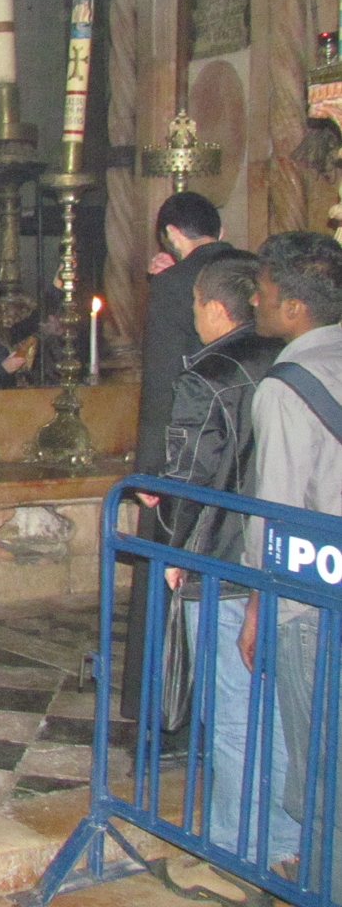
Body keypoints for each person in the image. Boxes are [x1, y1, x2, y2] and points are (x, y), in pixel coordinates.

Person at [155, 252, 292, 860]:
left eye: (194, 305)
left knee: (233, 708)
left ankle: (238, 843)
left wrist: (175, 549)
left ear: (214, 308)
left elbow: (191, 475)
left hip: (223, 556)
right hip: (289, 554)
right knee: (283, 706)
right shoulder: (289, 359)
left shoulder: (209, 374)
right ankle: (287, 837)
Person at [235, 232, 342, 888]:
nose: (255, 300)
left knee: (320, 761)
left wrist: (257, 608)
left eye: (264, 291)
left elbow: (274, 513)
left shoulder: (285, 387)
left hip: (312, 595)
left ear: (295, 307)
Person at [124, 192, 234, 719]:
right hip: (242, 451)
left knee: (167, 574)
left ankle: (160, 699)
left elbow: (163, 383)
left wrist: (150, 471)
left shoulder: (174, 285)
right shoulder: (251, 272)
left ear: (169, 234)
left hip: (186, 449)